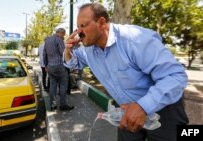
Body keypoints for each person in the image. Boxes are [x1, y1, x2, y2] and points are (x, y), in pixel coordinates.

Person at [64, 3, 188, 141]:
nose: (79, 33)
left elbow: (175, 76)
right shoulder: (89, 51)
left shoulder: (134, 39)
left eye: (83, 25)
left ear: (101, 23)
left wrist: (142, 106)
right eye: (78, 27)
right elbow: (72, 63)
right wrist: (67, 50)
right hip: (126, 111)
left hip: (163, 109)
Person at [43, 28, 74, 111]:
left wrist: (46, 65)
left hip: (50, 66)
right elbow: (63, 53)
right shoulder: (59, 39)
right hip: (60, 66)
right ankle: (63, 105)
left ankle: (53, 105)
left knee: (52, 86)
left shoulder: (48, 40)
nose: (64, 36)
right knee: (63, 85)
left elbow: (44, 54)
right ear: (61, 33)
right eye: (64, 34)